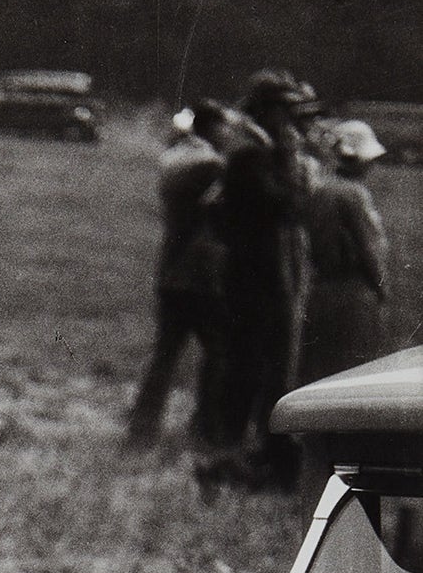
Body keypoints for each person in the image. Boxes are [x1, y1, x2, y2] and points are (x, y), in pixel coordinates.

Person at [213, 69, 321, 486]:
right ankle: (240, 450)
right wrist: (290, 161)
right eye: (283, 110)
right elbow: (286, 205)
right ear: (266, 110)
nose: (289, 120)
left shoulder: (255, 150)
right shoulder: (252, 154)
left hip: (258, 270)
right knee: (255, 362)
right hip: (256, 274)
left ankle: (246, 447)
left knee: (255, 361)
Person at [126, 102, 232, 450]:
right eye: (224, 127)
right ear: (212, 127)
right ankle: (205, 428)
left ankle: (142, 427)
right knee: (218, 351)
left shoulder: (174, 157)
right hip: (201, 274)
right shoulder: (212, 164)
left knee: (165, 353)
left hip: (171, 269)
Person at [297, 119, 389, 386]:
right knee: (352, 367)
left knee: (320, 366)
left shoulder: (318, 188)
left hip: (321, 287)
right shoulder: (354, 194)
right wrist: (382, 286)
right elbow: (369, 247)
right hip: (353, 289)